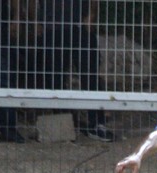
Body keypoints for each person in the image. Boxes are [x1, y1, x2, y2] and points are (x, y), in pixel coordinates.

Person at [41, 0, 114, 141]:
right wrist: (36, 21)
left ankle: (97, 124)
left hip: (80, 26)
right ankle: (62, 125)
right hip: (53, 27)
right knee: (55, 77)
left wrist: (91, 15)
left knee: (90, 75)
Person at [0, 0, 24, 142]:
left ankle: (8, 129)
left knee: (5, 81)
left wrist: (16, 17)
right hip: (1, 32)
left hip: (1, 33)